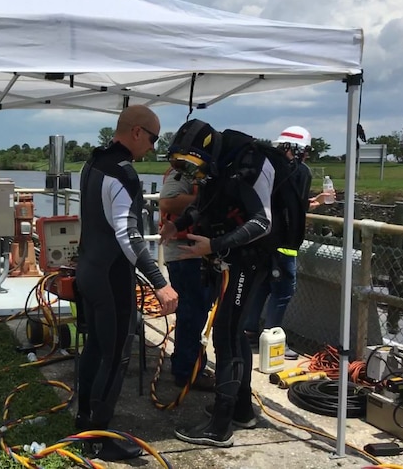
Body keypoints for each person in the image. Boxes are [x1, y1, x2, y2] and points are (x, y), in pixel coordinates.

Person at [160, 118, 275, 448]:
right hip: (230, 258)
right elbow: (202, 207)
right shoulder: (216, 169)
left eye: (192, 165)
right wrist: (176, 225)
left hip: (249, 260)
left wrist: (215, 246)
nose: (191, 173)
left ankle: (220, 426)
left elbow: (263, 222)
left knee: (225, 334)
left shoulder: (250, 165)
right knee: (233, 333)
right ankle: (241, 409)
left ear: (206, 153)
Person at [75, 104, 179, 461]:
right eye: (153, 138)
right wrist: (159, 282)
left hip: (88, 269)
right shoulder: (123, 174)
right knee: (116, 354)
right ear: (136, 132)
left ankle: (83, 420)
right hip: (109, 277)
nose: (153, 147)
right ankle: (99, 438)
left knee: (94, 348)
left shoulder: (93, 164)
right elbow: (129, 235)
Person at [243, 126, 330, 358]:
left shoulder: (266, 167)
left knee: (262, 286)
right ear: (296, 149)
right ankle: (272, 341)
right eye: (306, 150)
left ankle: (249, 333)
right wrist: (317, 202)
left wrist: (315, 201)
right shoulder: (300, 172)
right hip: (285, 244)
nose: (307, 155)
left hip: (261, 239)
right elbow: (295, 207)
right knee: (283, 291)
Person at [159, 168, 215, 390]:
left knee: (195, 312)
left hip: (196, 254)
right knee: (191, 312)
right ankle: (186, 371)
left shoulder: (201, 173)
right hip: (185, 255)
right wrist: (211, 200)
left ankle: (189, 365)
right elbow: (167, 202)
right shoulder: (181, 172)